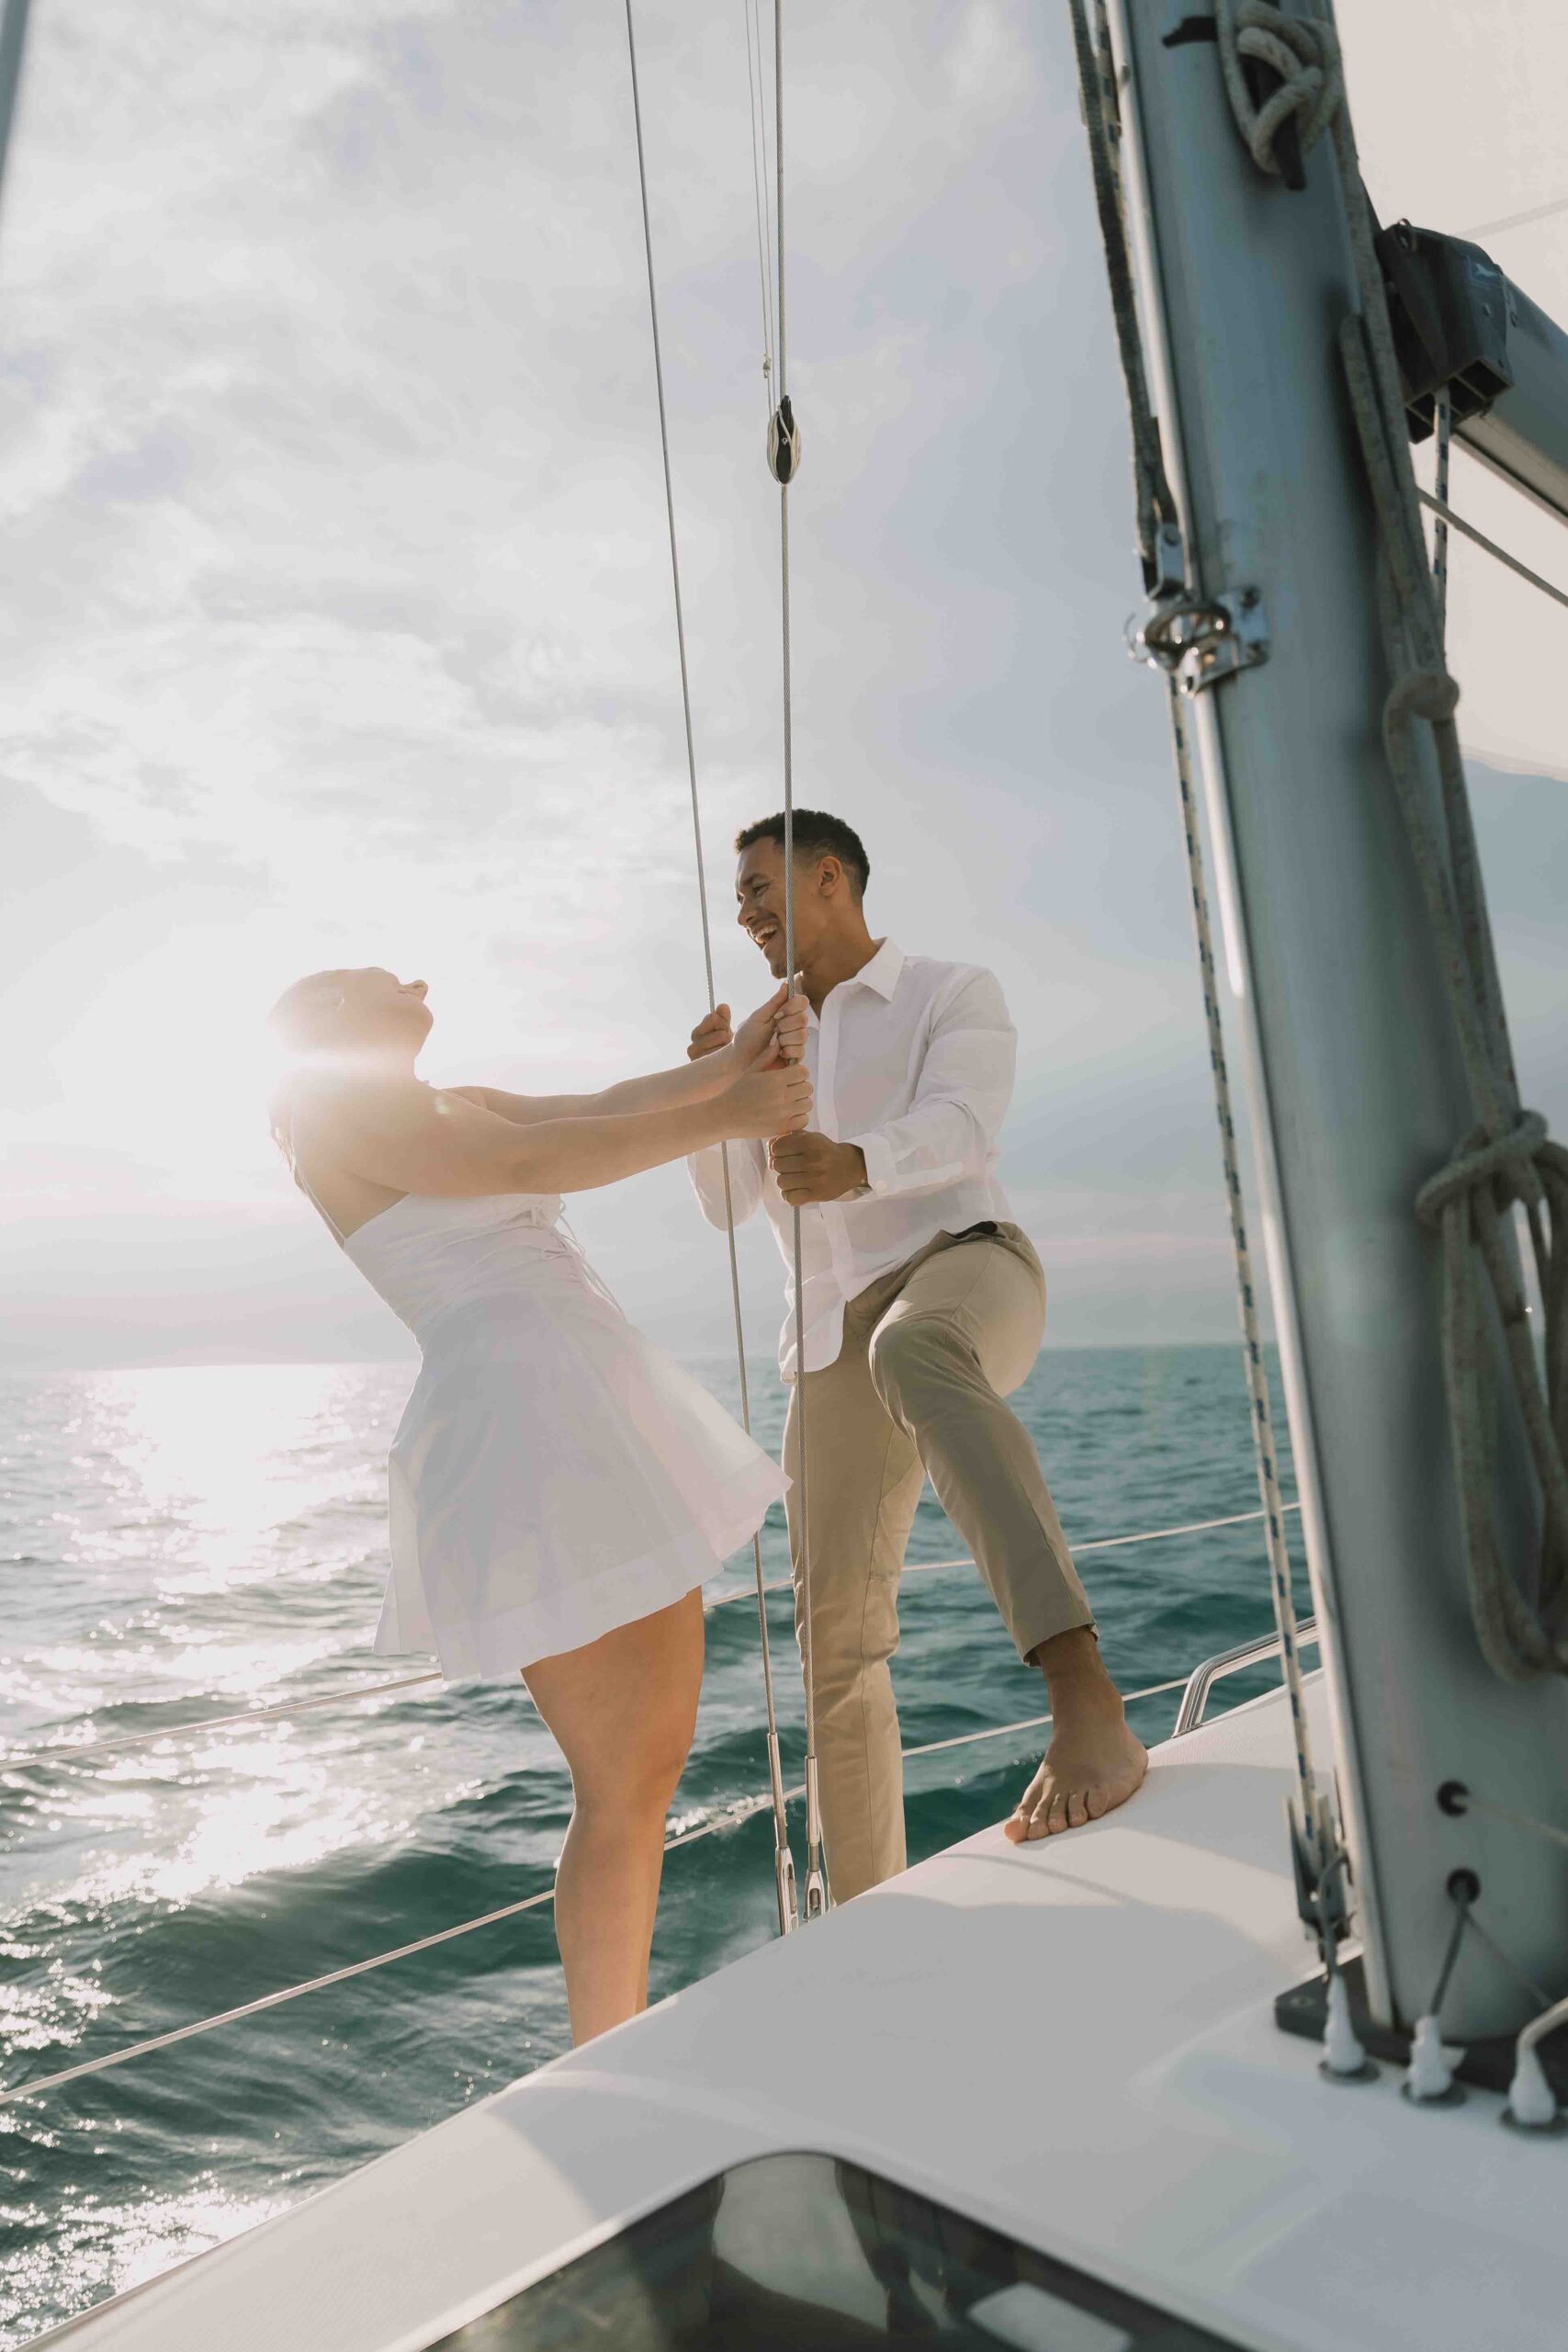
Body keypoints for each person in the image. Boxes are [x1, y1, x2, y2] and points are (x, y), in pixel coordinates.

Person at [267, 965, 810, 2042]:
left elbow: (600, 1110)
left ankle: (616, 2038)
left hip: (584, 1402)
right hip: (531, 1418)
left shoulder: (441, 1099)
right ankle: (603, 2053)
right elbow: (525, 1163)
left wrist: (728, 1062)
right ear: (331, 1010)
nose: (417, 978)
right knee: (620, 1781)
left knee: (645, 1770)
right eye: (387, 975)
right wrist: (733, 1110)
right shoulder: (336, 1103)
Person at [687, 811, 1146, 1903]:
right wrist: (713, 1098)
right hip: (829, 1333)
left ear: (830, 878)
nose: (742, 914)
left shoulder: (950, 989)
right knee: (832, 1639)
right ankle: (863, 1906)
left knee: (917, 1346)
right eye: (738, 898)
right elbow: (725, 1204)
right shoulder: (767, 1042)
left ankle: (1088, 1703)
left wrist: (853, 1162)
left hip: (964, 1265)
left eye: (758, 888)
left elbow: (966, 1125)